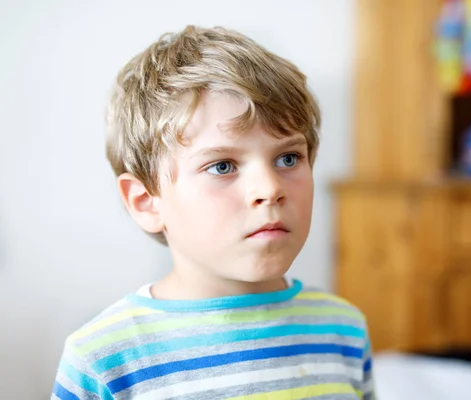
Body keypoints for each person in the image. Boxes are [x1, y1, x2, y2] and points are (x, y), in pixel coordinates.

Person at [51, 25, 374, 399]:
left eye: (288, 158)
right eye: (222, 166)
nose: (270, 189)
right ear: (146, 202)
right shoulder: (103, 361)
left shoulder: (343, 331)